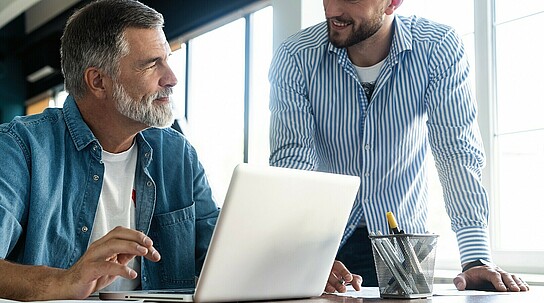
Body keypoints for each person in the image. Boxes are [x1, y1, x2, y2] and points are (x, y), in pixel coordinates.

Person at [268, 0, 529, 293]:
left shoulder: (436, 47)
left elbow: (456, 151)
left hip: (404, 251)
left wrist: (475, 258)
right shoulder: (295, 56)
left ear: (393, 2)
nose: (332, 9)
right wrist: (303, 256)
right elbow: (293, 163)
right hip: (324, 249)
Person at [0, 0, 219, 300]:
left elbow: (219, 256)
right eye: (152, 64)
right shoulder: (21, 148)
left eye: (167, 60)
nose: (171, 78)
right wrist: (66, 281)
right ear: (98, 81)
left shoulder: (178, 155)